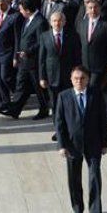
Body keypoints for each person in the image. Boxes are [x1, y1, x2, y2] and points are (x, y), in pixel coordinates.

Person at [55, 66, 107, 213]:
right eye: (76, 78)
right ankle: (78, 208)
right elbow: (59, 123)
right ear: (71, 80)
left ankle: (95, 209)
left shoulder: (96, 95)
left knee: (94, 178)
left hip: (93, 144)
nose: (79, 81)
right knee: (74, 180)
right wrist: (61, 145)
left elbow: (103, 120)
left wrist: (105, 143)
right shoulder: (63, 96)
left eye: (82, 78)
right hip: (72, 144)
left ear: (88, 79)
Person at [0, 0, 50, 120]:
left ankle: (44, 108)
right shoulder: (27, 20)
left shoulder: (40, 21)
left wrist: (28, 51)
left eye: (21, 9)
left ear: (27, 9)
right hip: (24, 60)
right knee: (21, 85)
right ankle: (15, 109)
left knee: (38, 87)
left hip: (34, 61)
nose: (20, 11)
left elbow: (41, 42)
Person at [39, 12, 81, 141]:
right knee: (55, 105)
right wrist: (42, 77)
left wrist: (77, 76)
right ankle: (59, 131)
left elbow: (77, 57)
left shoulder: (72, 36)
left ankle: (69, 129)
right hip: (52, 78)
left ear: (64, 22)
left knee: (69, 105)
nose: (57, 23)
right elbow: (42, 59)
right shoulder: (44, 36)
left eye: (59, 21)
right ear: (51, 22)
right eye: (54, 21)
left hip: (68, 78)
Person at [0, 0, 23, 112]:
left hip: (8, 52)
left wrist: (16, 56)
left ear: (7, 2)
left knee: (6, 77)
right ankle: (5, 102)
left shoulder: (15, 16)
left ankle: (20, 95)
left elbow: (17, 38)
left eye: (1, 5)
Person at [77, 0, 107, 89]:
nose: (93, 10)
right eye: (90, 8)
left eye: (95, 7)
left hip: (99, 64)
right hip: (84, 64)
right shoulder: (82, 24)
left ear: (100, 9)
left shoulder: (106, 25)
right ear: (86, 10)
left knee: (93, 86)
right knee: (87, 89)